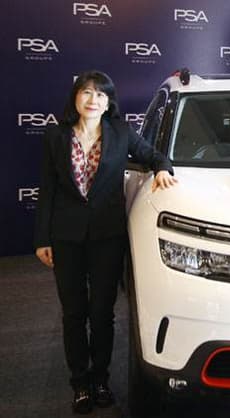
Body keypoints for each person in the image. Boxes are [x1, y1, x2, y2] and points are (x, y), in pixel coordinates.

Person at [33, 70, 177, 413]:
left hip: (107, 238)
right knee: (73, 314)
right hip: (66, 237)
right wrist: (42, 238)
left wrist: (162, 170)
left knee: (101, 314)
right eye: (86, 92)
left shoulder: (121, 132)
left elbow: (156, 156)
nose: (93, 99)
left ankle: (100, 379)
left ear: (109, 101)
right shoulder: (55, 136)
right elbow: (48, 190)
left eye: (100, 94)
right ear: (75, 97)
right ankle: (80, 383)